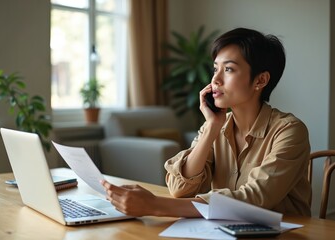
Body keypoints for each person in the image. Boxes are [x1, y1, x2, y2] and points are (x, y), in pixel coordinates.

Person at [101, 27, 312, 218]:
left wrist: (155, 206)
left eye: (228, 69)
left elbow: (254, 198)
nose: (215, 80)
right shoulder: (216, 125)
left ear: (261, 80)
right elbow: (179, 188)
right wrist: (212, 127)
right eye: (215, 69)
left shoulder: (290, 131)